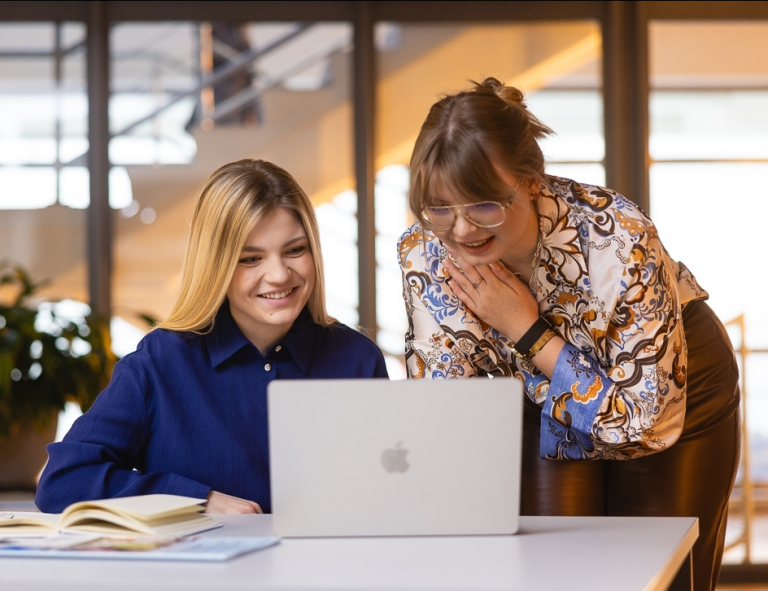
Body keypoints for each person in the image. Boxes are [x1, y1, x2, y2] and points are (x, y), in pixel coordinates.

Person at [398, 78, 739, 591]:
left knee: (659, 576)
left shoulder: (617, 235)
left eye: (484, 205)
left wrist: (525, 329)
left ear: (532, 181)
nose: (462, 230)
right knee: (554, 576)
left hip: (670, 390)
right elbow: (446, 398)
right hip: (539, 395)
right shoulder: (425, 250)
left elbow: (645, 425)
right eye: (440, 208)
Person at [37, 159, 388, 515]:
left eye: (295, 250)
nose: (280, 274)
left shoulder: (358, 358)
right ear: (216, 265)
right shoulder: (162, 360)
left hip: (325, 569)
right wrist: (195, 500)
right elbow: (63, 481)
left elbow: (389, 492)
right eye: (251, 259)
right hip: (200, 572)